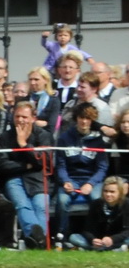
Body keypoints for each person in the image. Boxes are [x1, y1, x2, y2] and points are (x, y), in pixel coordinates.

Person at [0, 101, 56, 249]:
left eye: (24, 117)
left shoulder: (44, 136)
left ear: (33, 118)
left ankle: (36, 240)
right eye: (17, 116)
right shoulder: (5, 137)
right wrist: (26, 166)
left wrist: (24, 145)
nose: (20, 120)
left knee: (40, 206)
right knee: (22, 205)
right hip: (14, 179)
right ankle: (39, 239)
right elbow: (3, 165)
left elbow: (44, 162)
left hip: (38, 179)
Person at [54, 102, 109, 238]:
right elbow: (60, 165)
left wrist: (90, 184)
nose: (84, 121)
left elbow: (102, 168)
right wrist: (65, 181)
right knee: (62, 200)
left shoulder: (98, 140)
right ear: (76, 118)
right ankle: (62, 236)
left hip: (92, 180)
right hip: (71, 179)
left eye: (88, 118)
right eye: (81, 118)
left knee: (97, 199)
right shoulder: (64, 138)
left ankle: (97, 236)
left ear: (92, 120)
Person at [67, 176, 127, 250]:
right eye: (106, 191)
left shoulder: (126, 204)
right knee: (74, 237)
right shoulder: (96, 204)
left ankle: (94, 249)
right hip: (99, 241)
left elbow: (127, 231)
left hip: (118, 239)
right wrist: (93, 240)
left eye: (112, 192)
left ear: (120, 192)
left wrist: (112, 239)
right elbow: (87, 230)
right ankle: (111, 249)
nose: (108, 194)